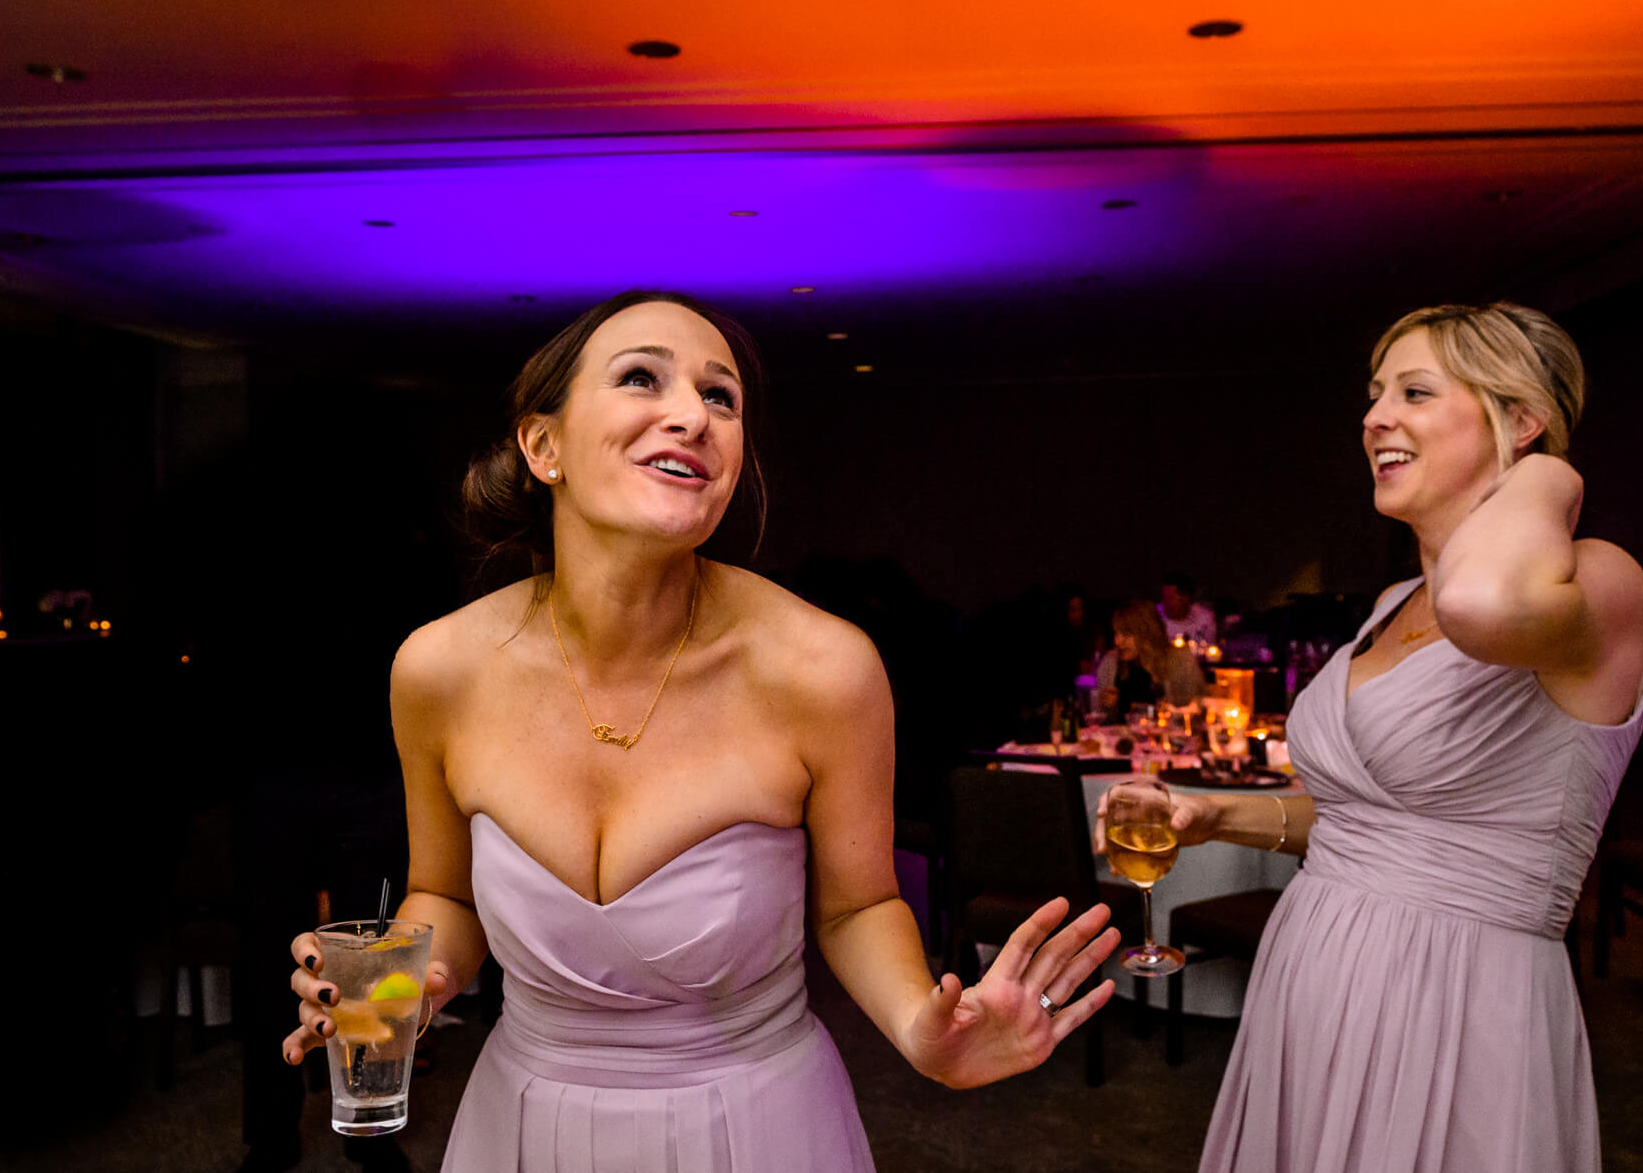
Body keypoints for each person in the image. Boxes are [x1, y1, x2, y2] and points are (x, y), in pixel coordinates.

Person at [280, 291, 1119, 1170]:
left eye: (722, 398)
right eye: (642, 377)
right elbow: (444, 898)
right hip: (522, 1120)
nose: (692, 415)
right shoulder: (438, 669)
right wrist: (403, 990)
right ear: (543, 445)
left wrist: (921, 1025)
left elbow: (857, 902)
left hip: (756, 1121)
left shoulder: (823, 668)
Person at [1139, 302, 1643, 1172]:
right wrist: (1214, 814)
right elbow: (1366, 822)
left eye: (1415, 391)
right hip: (1312, 978)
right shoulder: (1387, 608)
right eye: (1375, 395)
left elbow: (1482, 603)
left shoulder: (1598, 582)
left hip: (1457, 997)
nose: (1375, 417)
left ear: (1520, 417)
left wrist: (1545, 478)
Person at [1096, 600, 1206, 716]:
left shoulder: (1180, 660)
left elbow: (1195, 711)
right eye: (1116, 634)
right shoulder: (1110, 662)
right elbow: (1100, 720)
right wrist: (1109, 707)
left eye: (1126, 635)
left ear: (1147, 634)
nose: (1117, 642)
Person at [1158, 573, 1218, 651]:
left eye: (1170, 598)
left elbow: (1211, 650)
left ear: (1186, 599)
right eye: (1164, 597)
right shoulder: (1154, 617)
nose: (1165, 603)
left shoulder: (1204, 618)